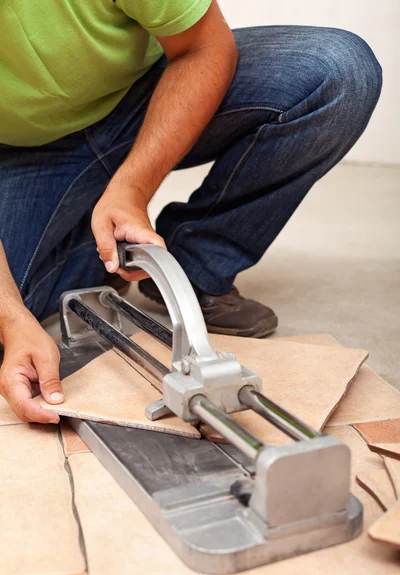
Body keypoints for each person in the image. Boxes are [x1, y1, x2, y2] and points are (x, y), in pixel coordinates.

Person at [0, 0, 382, 424]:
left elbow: (203, 47)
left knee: (337, 71)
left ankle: (196, 265)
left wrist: (132, 188)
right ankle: (97, 255)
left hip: (138, 100)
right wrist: (10, 315)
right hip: (18, 152)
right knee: (10, 329)